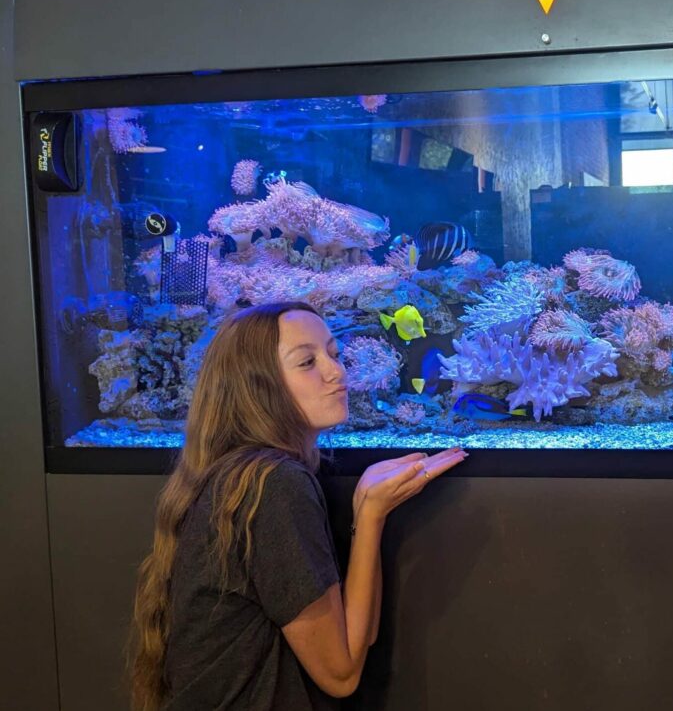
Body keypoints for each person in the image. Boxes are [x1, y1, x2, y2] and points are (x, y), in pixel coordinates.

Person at [128, 301, 466, 709]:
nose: (335, 371)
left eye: (333, 353)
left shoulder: (240, 475)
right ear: (258, 386)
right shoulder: (272, 485)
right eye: (307, 362)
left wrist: (365, 503)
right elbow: (341, 674)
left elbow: (356, 637)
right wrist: (370, 515)